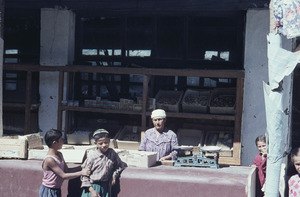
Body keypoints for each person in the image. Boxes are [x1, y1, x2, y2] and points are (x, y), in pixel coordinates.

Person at [39, 129, 90, 197]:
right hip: (49, 190)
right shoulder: (49, 160)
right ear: (54, 143)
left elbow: (67, 170)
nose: (63, 142)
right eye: (61, 140)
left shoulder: (59, 154)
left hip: (56, 189)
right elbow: (63, 175)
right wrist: (81, 173)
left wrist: (81, 167)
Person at [81, 129, 127, 197]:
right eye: (100, 143)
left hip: (105, 187)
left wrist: (114, 176)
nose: (104, 145)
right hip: (92, 187)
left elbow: (121, 165)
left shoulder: (112, 153)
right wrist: (92, 191)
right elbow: (84, 176)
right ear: (95, 143)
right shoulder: (92, 156)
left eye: (106, 142)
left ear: (109, 141)